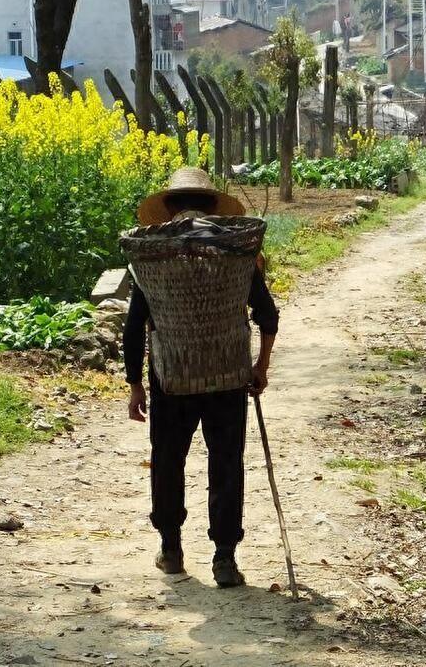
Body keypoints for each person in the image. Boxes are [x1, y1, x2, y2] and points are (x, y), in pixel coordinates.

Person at [122, 168, 279, 588]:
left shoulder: (154, 258)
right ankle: (224, 558)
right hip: (228, 375)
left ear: (170, 209)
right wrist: (260, 367)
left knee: (167, 460)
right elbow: (267, 316)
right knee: (226, 462)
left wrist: (135, 384)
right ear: (213, 208)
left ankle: (171, 549)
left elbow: (134, 328)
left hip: (171, 376)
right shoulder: (234, 253)